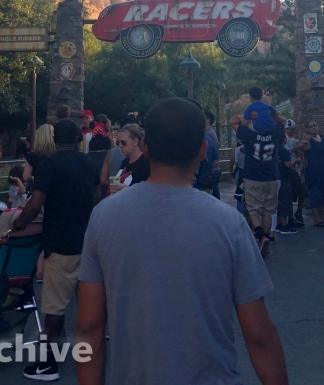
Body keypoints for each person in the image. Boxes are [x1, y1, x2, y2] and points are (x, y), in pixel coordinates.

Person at [76, 97, 289, 385]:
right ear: (202, 150)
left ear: (145, 147)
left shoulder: (105, 216)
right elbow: (259, 335)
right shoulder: (228, 223)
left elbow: (89, 328)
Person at [10, 118, 97, 381]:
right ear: (79, 139)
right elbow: (96, 200)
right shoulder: (89, 164)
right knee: (90, 308)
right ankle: (94, 357)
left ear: (55, 140)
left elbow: (36, 203)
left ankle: (48, 365)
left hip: (60, 244)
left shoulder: (50, 165)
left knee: (55, 309)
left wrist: (19, 223)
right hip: (88, 243)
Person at [235, 110, 285, 257]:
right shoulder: (275, 132)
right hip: (272, 176)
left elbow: (233, 122)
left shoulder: (249, 134)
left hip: (253, 177)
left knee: (253, 209)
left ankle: (261, 236)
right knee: (268, 211)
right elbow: (282, 120)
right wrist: (272, 113)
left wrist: (245, 119)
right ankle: (267, 240)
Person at [296, 121, 324, 227]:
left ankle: (322, 215)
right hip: (314, 170)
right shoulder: (307, 139)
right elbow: (299, 149)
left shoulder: (322, 137)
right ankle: (316, 218)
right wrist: (304, 159)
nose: (314, 127)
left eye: (315, 125)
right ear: (307, 129)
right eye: (311, 126)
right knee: (315, 192)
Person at [110, 123, 150, 191]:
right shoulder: (125, 161)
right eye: (118, 143)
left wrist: (127, 189)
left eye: (123, 142)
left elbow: (149, 191)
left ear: (135, 141)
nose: (120, 146)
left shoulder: (146, 163)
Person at [274, 140, 298, 235]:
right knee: (284, 201)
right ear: (284, 139)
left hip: (277, 178)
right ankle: (284, 225)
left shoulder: (274, 149)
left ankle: (279, 223)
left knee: (278, 202)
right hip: (284, 178)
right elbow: (288, 164)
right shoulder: (283, 150)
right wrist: (295, 161)